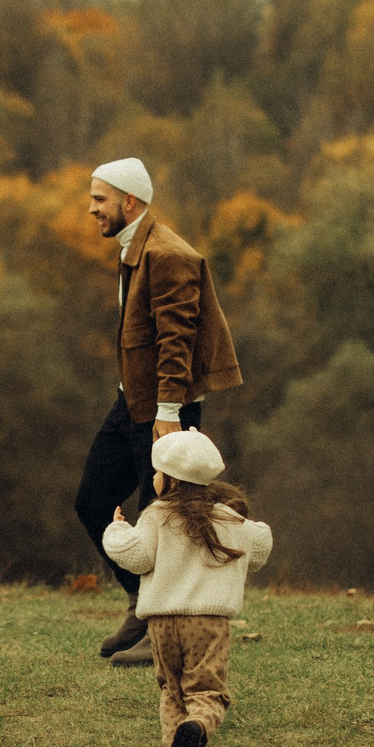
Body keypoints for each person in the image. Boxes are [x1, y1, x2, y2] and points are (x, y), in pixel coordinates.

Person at [73, 156, 243, 667]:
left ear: (130, 201)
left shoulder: (168, 254)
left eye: (99, 199)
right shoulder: (134, 248)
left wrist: (169, 413)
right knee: (92, 501)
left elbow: (178, 339)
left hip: (166, 409)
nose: (91, 208)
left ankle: (163, 635)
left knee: (164, 522)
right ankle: (141, 603)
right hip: (134, 401)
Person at [100, 429, 272, 747]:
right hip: (208, 624)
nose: (153, 479)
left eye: (158, 473)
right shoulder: (228, 518)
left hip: (162, 624)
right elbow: (259, 549)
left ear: (173, 480)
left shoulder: (157, 516)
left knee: (172, 689)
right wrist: (248, 524)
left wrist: (117, 530)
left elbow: (136, 557)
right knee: (207, 690)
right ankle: (196, 727)